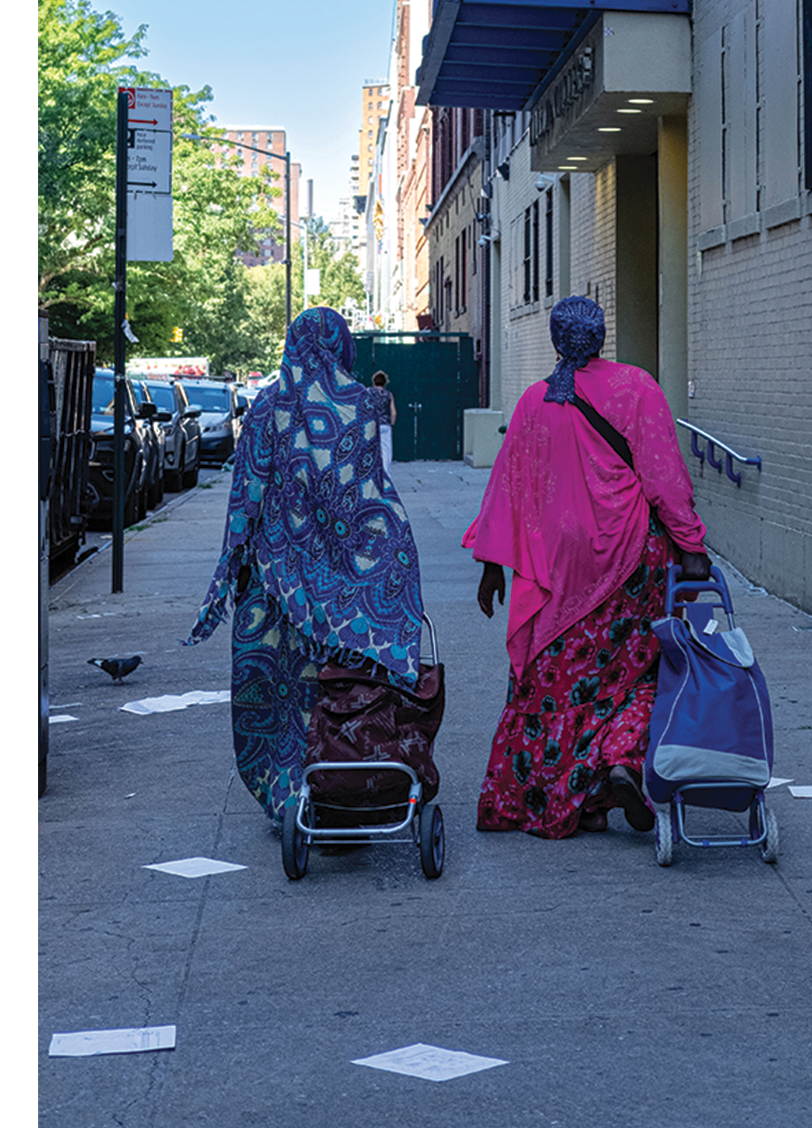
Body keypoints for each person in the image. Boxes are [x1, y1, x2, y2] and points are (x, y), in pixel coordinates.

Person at [463, 295, 712, 838]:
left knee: (553, 679)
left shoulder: (535, 402)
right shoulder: (637, 388)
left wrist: (491, 567)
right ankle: (620, 759)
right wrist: (691, 545)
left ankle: (544, 795)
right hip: (630, 559)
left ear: (557, 341)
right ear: (600, 337)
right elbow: (664, 481)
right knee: (639, 670)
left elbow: (507, 488)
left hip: (558, 566)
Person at [185, 307, 424, 826]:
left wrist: (230, 569)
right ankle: (348, 779)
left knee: (276, 693)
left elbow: (245, 495)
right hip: (349, 587)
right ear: (343, 347)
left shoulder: (266, 407)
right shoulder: (365, 404)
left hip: (274, 581)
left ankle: (290, 795)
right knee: (338, 689)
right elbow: (376, 488)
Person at [371, 370, 396, 480]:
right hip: (385, 424)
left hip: (373, 424)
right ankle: (386, 474)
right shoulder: (388, 394)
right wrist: (392, 423)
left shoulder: (368, 392)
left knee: (372, 449)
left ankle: (372, 473)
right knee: (386, 450)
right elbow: (393, 412)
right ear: (385, 382)